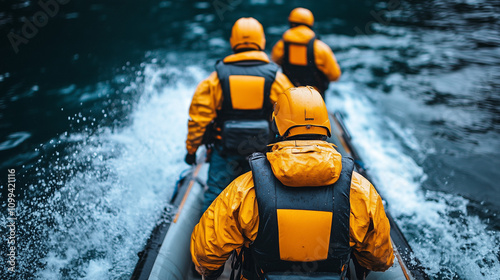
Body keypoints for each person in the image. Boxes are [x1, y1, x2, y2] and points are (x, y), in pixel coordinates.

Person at [190, 86, 394, 280]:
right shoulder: (360, 190)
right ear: (326, 126)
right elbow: (380, 259)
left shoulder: (246, 188)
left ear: (278, 126)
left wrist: (211, 273)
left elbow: (205, 253)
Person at [185, 17, 293, 212]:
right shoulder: (276, 77)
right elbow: (291, 114)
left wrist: (191, 151)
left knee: (216, 194)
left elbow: (198, 120)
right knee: (264, 195)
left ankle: (208, 240)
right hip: (262, 153)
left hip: (226, 151)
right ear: (261, 40)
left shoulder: (216, 78)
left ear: (233, 41)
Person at [271, 8, 341, 99]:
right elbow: (334, 76)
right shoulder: (321, 48)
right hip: (315, 97)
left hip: (291, 96)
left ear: (291, 23)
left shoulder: (281, 45)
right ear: (310, 24)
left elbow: (274, 60)